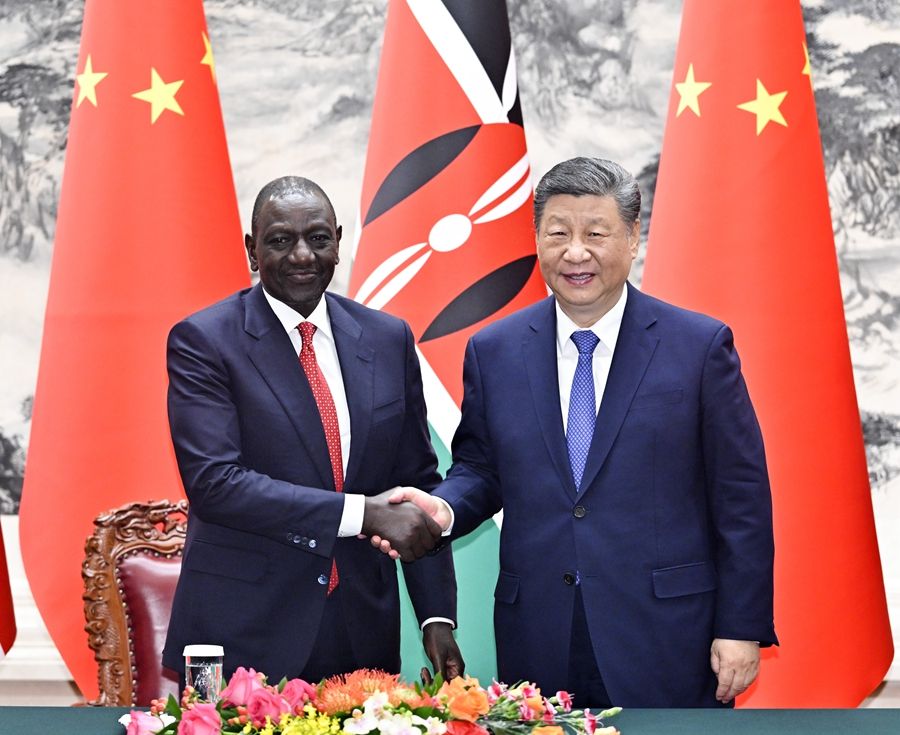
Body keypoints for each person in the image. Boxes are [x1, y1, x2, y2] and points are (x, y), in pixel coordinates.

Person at [382, 158, 777, 708]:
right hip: (540, 631)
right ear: (537, 240)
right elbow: (482, 469)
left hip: (668, 635)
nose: (575, 253)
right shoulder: (494, 351)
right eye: (558, 234)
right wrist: (443, 509)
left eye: (595, 234)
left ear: (632, 238)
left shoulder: (699, 347)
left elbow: (741, 497)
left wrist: (740, 626)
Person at [162, 176, 462, 685]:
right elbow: (215, 484)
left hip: (362, 632)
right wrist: (361, 512)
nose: (302, 255)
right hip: (242, 632)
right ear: (252, 250)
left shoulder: (388, 338)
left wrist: (436, 618)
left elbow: (416, 488)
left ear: (338, 243)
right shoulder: (204, 341)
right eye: (281, 240)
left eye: (318, 238)